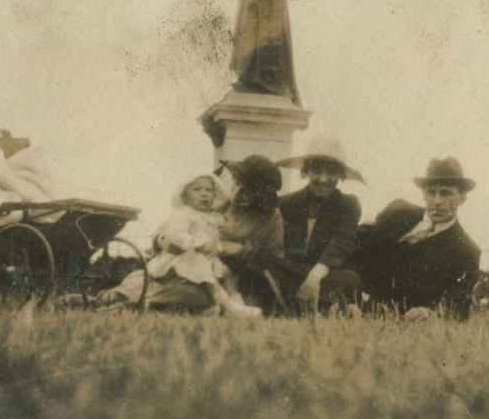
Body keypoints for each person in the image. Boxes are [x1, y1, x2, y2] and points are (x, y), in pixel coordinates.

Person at [109, 174, 262, 316]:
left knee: (226, 273)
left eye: (209, 190)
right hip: (181, 259)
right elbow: (175, 235)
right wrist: (199, 244)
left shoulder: (211, 217)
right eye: (197, 190)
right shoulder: (184, 214)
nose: (204, 194)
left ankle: (235, 302)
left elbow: (220, 231)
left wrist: (222, 240)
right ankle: (228, 305)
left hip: (201, 260)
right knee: (204, 275)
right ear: (186, 196)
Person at [354, 157, 481, 321]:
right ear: (423, 193)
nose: (436, 201)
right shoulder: (398, 211)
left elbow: (457, 307)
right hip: (354, 298)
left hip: (393, 321)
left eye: (446, 193)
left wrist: (432, 315)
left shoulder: (467, 251)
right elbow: (357, 241)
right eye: (431, 192)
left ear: (462, 197)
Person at [273, 134, 364, 314]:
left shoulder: (349, 204)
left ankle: (302, 305)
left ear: (341, 175)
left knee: (350, 279)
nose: (323, 179)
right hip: (293, 272)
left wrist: (314, 278)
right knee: (262, 261)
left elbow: (342, 242)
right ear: (305, 171)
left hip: (324, 276)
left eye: (331, 172)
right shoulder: (286, 203)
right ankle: (325, 306)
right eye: (317, 170)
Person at [215, 154, 286, 312]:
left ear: (260, 196)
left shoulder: (270, 217)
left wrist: (241, 250)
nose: (237, 193)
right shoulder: (217, 203)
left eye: (246, 191)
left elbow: (274, 261)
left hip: (246, 281)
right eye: (236, 183)